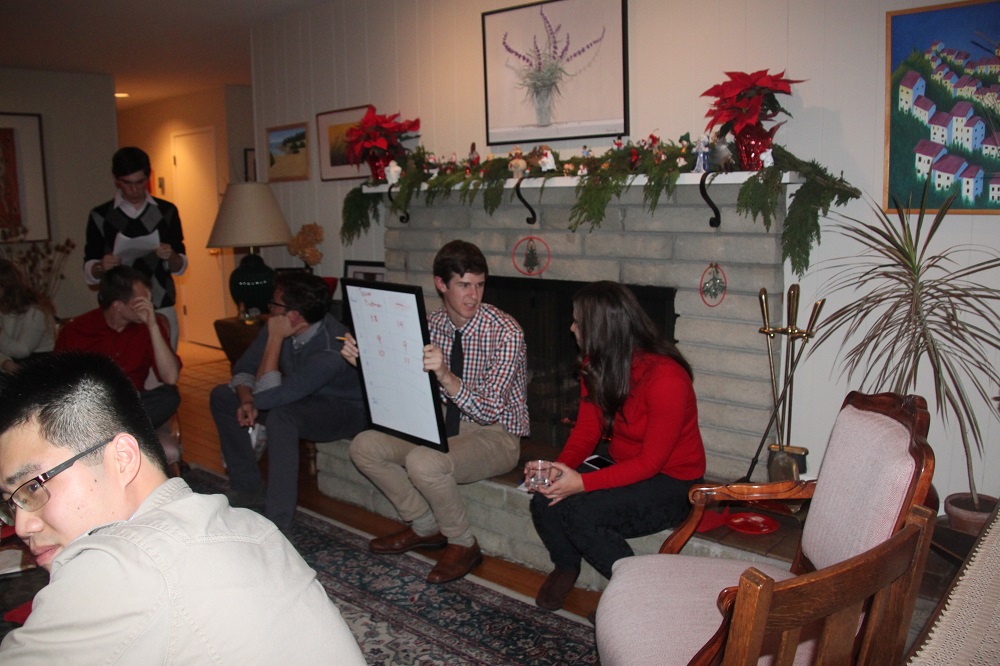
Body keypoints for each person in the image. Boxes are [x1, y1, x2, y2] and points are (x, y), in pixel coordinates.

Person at [0, 352, 364, 663]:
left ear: (122, 459)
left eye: (33, 487)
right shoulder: (252, 528)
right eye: (11, 503)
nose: (21, 526)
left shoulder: (119, 567)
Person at [342, 240, 529, 584]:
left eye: (480, 285)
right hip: (438, 425)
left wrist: (445, 375)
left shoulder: (506, 331)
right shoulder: (429, 325)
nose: (474, 296)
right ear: (441, 284)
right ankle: (425, 525)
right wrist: (364, 362)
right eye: (464, 285)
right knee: (364, 446)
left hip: (495, 436)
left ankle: (463, 542)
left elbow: (488, 411)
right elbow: (401, 384)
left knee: (424, 462)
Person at [528, 281, 705, 612]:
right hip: (623, 462)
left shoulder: (667, 378)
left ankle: (638, 596)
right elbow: (586, 431)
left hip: (674, 482)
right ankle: (566, 566)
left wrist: (582, 483)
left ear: (600, 329)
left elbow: (651, 463)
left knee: (581, 513)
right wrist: (560, 468)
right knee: (544, 496)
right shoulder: (596, 364)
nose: (571, 328)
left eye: (577, 321)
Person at [211, 271, 366, 530]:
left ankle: (278, 522)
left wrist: (274, 339)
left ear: (293, 315)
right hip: (300, 397)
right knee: (223, 396)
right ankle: (247, 487)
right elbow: (244, 367)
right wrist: (246, 399)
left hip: (342, 411)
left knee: (283, 417)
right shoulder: (280, 323)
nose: (269, 308)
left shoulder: (330, 350)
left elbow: (268, 398)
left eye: (274, 303)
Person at [55, 266, 181, 431]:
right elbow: (57, 382)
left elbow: (171, 377)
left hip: (132, 406)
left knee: (169, 396)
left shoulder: (147, 326)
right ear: (118, 305)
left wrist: (153, 326)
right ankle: (115, 433)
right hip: (91, 409)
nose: (149, 306)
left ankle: (111, 434)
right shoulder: (77, 330)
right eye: (142, 301)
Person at [84, 146, 187, 347]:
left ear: (148, 177)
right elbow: (89, 270)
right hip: (117, 306)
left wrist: (171, 255)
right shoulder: (100, 216)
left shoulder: (167, 211)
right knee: (121, 361)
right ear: (116, 180)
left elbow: (180, 266)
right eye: (127, 183)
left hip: (159, 302)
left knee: (165, 361)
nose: (135, 189)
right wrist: (101, 266)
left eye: (140, 182)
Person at [0, 259, 54, 374]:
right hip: (10, 367)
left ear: (6, 286)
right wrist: (4, 362)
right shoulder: (3, 307)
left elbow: (23, 351)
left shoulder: (35, 312)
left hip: (37, 369)